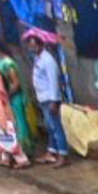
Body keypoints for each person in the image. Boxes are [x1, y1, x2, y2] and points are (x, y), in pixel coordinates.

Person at [27, 35, 69, 167]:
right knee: (50, 127)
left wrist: (54, 101)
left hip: (50, 99)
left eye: (34, 45)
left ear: (40, 45)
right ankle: (51, 152)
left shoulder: (48, 60)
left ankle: (63, 155)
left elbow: (53, 82)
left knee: (56, 127)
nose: (32, 48)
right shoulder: (38, 59)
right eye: (30, 45)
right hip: (42, 97)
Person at [0, 44, 33, 155]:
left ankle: (25, 147)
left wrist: (8, 95)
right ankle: (16, 148)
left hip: (15, 96)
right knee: (13, 123)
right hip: (8, 94)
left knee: (20, 121)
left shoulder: (8, 63)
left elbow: (16, 83)